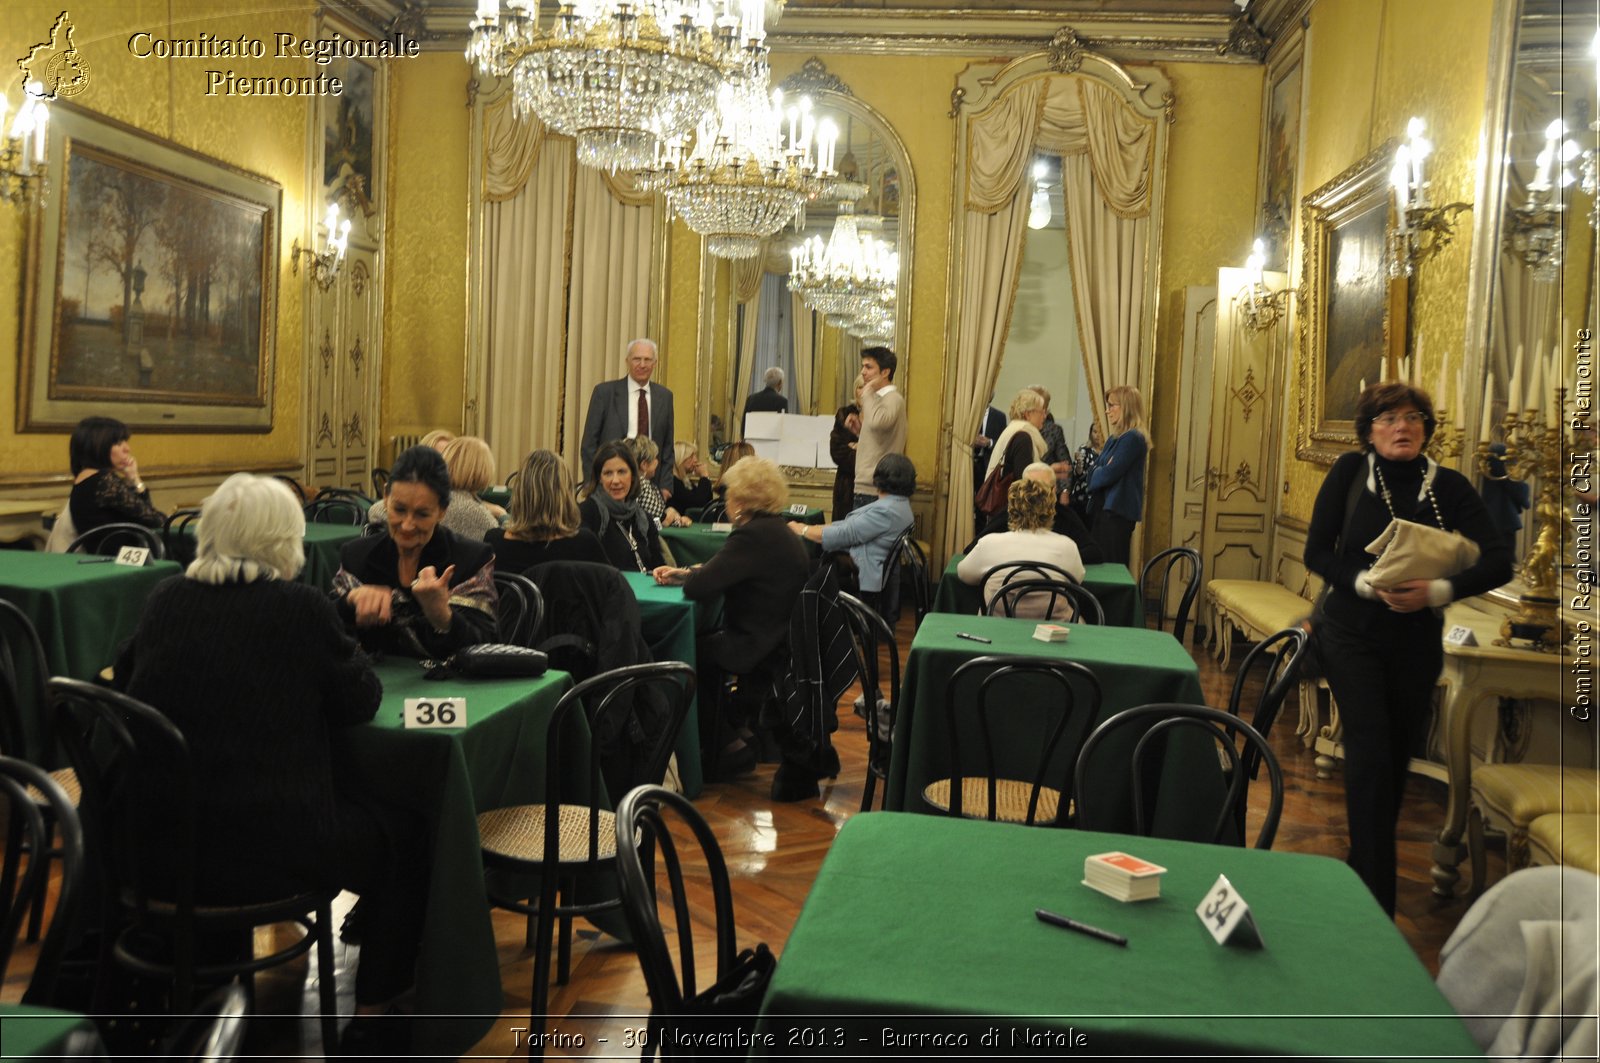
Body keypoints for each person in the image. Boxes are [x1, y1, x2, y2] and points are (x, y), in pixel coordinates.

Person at [113, 474, 428, 1039]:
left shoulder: (167, 600)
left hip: (156, 845)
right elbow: (361, 700)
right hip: (270, 852)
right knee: (407, 832)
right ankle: (373, 1016)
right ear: (286, 540)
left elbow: (126, 677)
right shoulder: (299, 609)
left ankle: (203, 989)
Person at [1305, 382, 1511, 917]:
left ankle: (1361, 865)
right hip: (1349, 633)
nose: (1402, 426)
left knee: (1395, 757)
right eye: (1389, 418)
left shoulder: (1451, 487)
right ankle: (1377, 902)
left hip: (1416, 641)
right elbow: (1316, 553)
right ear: (1369, 430)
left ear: (1426, 428)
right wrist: (1364, 583)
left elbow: (1498, 561)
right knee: (1371, 752)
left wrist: (1436, 592)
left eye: (1414, 417)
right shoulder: (1350, 474)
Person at [654, 458, 810, 778]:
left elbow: (702, 585)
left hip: (755, 642)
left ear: (739, 500)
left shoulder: (750, 536)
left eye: (728, 494)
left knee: (687, 653)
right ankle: (735, 729)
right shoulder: (775, 530)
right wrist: (685, 574)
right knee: (705, 646)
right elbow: (720, 573)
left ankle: (724, 742)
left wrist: (689, 576)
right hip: (780, 637)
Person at [333, 445, 499, 657]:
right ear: (385, 497)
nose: (408, 525)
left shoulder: (471, 559)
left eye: (422, 514)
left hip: (449, 688)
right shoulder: (356, 557)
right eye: (399, 510)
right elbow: (324, 632)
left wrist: (442, 616)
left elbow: (489, 646)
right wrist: (349, 602)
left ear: (442, 511)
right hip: (370, 685)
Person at [793, 453, 915, 615]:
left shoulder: (885, 510)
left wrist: (803, 530)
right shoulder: (899, 506)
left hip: (855, 577)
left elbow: (845, 534)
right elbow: (849, 526)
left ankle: (804, 629)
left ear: (879, 479)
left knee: (798, 569)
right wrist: (814, 527)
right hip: (861, 571)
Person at [958, 477, 1086, 617]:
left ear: (1011, 508)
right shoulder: (1067, 546)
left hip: (995, 628)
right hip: (1053, 630)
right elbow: (1076, 579)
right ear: (1051, 509)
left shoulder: (989, 543)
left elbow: (964, 574)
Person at [581, 338, 675, 497]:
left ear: (655, 363)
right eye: (637, 359)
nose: (642, 364)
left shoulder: (665, 397)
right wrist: (593, 484)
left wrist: (666, 487)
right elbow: (589, 444)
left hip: (651, 488)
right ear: (627, 361)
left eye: (647, 360)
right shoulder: (604, 393)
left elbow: (667, 447)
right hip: (610, 484)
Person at [486, 449, 608, 571]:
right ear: (565, 495)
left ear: (519, 493)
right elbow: (612, 585)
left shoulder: (494, 542)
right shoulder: (584, 544)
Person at [965, 462, 1103, 565]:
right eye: (1030, 487)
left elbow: (1093, 552)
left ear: (1054, 490)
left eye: (1042, 489)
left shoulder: (1065, 515)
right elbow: (973, 548)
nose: (1035, 494)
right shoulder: (1008, 513)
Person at [368, 435, 501, 540]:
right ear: (483, 472)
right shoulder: (480, 516)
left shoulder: (433, 498)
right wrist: (503, 516)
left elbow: (375, 511)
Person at [67, 416, 165, 535]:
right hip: (119, 552)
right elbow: (157, 520)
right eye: (118, 443)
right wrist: (136, 480)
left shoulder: (84, 478)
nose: (127, 449)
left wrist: (133, 477)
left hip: (99, 552)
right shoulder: (105, 481)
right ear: (98, 446)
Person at [579, 440, 666, 573]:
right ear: (599, 478)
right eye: (608, 473)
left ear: (632, 476)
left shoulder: (644, 519)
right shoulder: (587, 514)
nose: (615, 481)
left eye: (622, 472)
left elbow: (659, 567)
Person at [1086, 385, 1149, 564]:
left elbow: (1109, 473)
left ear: (1126, 407)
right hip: (1104, 510)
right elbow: (1093, 472)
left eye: (1112, 405)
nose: (1107, 411)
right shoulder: (1114, 438)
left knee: (1111, 564)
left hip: (1117, 513)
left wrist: (1101, 470)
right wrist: (1101, 469)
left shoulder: (1133, 438)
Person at [852, 347, 908, 510]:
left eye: (869, 367)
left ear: (885, 372)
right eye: (863, 367)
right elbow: (880, 433)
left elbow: (879, 422)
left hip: (876, 488)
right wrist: (860, 432)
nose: (863, 372)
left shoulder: (893, 398)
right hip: (869, 485)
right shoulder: (879, 399)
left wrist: (867, 391)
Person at [978, 388, 1049, 515]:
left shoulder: (1013, 429)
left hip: (1005, 508)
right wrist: (1048, 473)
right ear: (1028, 414)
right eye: (1041, 412)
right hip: (1011, 511)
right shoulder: (1023, 436)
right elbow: (1024, 478)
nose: (1045, 416)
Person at [627, 436, 690, 528]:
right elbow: (661, 520)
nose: (657, 462)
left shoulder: (632, 483)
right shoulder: (643, 485)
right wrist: (672, 513)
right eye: (654, 458)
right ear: (644, 465)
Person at [831, 377, 864, 521]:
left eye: (867, 387)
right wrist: (862, 452)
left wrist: (859, 447)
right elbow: (837, 452)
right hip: (846, 489)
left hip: (872, 489)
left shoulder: (879, 417)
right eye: (860, 387)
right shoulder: (845, 415)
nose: (863, 391)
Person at [1027, 384, 1074, 480]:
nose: (1044, 415)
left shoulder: (1054, 430)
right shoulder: (1020, 430)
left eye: (1045, 410)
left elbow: (1065, 466)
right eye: (1042, 410)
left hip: (1048, 487)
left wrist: (1065, 491)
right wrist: (1050, 470)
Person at [1067, 421, 1104, 522]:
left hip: (1099, 497)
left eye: (1099, 432)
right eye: (1094, 432)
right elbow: (1078, 474)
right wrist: (1078, 464)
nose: (1096, 435)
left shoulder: (1107, 451)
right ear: (1090, 433)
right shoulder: (1085, 449)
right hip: (1083, 496)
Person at [971, 403, 1006, 506]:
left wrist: (989, 442)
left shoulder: (999, 416)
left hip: (987, 466)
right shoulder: (967, 413)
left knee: (983, 504)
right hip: (967, 463)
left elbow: (1003, 444)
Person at [742, 366, 789, 435]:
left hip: (752, 439)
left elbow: (744, 425)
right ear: (780, 383)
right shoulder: (782, 401)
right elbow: (783, 427)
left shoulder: (751, 398)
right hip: (773, 442)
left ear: (765, 381)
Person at [672, 441, 715, 513]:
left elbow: (706, 501)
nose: (696, 460)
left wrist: (705, 478)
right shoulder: (673, 483)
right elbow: (698, 503)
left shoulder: (686, 481)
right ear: (680, 459)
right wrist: (704, 477)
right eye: (691, 456)